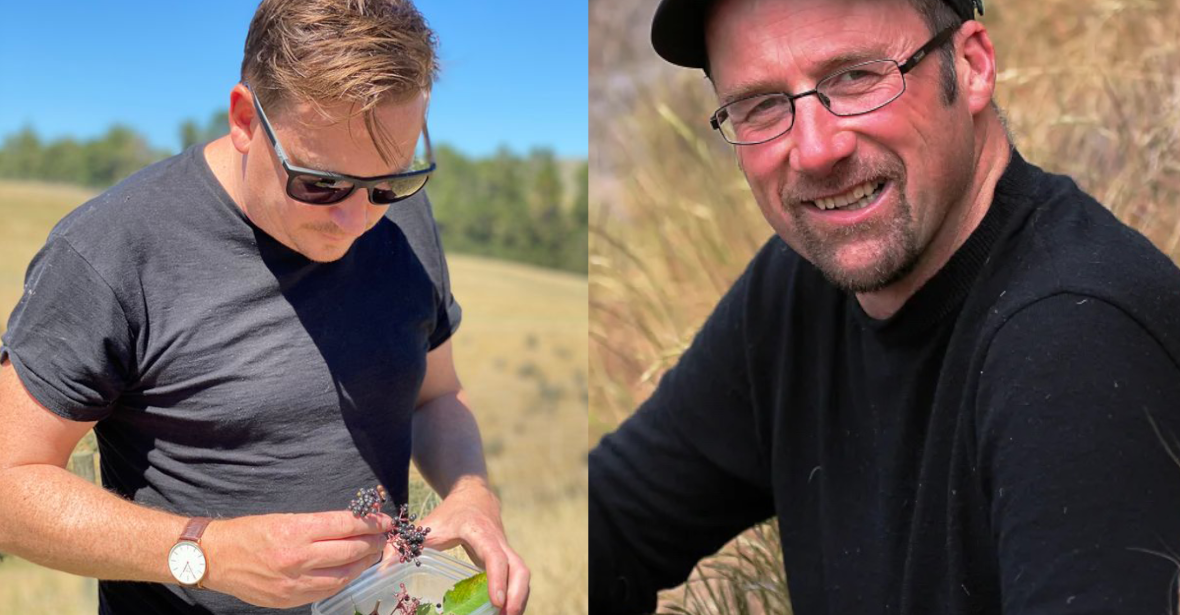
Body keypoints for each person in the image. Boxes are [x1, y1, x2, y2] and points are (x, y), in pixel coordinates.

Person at [589, 0, 1180, 613]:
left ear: (973, 66)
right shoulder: (798, 291)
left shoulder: (1078, 336)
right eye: (762, 105)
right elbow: (611, 525)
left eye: (855, 76)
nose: (815, 149)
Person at [0, 1, 529, 613]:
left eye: (390, 181)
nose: (356, 219)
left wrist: (471, 494)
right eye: (319, 183)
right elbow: (10, 485)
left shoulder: (402, 222)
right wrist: (205, 551)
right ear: (246, 120)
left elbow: (436, 395)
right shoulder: (111, 249)